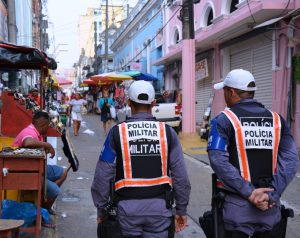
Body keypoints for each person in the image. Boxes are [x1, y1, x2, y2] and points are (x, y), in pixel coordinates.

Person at [91, 80, 191, 237]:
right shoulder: (168, 133)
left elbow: (102, 176)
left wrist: (101, 210)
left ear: (129, 103)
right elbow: (181, 176)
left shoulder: (117, 133)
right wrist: (181, 210)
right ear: (154, 103)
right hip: (160, 211)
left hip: (125, 211)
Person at [207, 69, 299, 238]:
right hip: (269, 209)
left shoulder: (223, 120)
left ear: (231, 92)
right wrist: (271, 194)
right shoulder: (277, 120)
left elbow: (218, 160)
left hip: (237, 210)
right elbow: (291, 161)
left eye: (225, 91)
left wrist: (250, 193)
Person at [12, 111, 70, 225]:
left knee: (63, 172)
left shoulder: (36, 132)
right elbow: (28, 142)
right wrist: (47, 145)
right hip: (28, 173)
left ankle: (44, 206)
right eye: (47, 126)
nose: (47, 128)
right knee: (55, 190)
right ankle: (42, 214)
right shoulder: (29, 132)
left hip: (39, 168)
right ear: (43, 124)